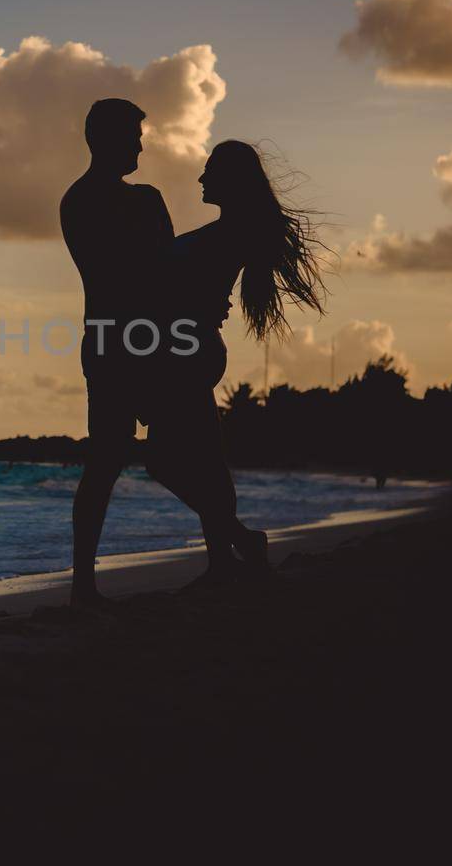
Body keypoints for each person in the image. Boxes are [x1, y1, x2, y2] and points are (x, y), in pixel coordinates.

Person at [143, 140, 327, 589]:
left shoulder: (231, 234)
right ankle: (224, 560)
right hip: (190, 348)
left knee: (164, 462)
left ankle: (240, 541)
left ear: (231, 179)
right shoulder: (231, 231)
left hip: (187, 351)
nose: (202, 179)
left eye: (210, 172)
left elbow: (190, 291)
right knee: (205, 461)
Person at [59, 98, 174, 607]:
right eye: (132, 136)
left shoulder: (81, 200)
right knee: (112, 459)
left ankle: (84, 583)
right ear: (105, 140)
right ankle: (83, 583)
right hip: (126, 337)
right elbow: (156, 269)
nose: (140, 146)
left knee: (118, 459)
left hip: (116, 335)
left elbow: (158, 269)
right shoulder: (114, 201)